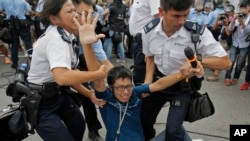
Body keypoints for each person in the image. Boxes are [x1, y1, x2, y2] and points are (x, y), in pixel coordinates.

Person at [76, 15, 205, 139]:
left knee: (176, 132)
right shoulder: (107, 99)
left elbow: (158, 84)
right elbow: (97, 79)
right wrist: (87, 46)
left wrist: (181, 74)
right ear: (111, 88)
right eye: (120, 88)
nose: (125, 92)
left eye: (128, 86)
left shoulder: (135, 93)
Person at [141, 0, 231, 141]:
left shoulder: (196, 32)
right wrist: (146, 84)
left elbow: (226, 62)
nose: (182, 21)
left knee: (173, 131)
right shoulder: (149, 31)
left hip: (182, 86)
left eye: (186, 15)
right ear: (161, 12)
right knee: (143, 122)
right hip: (159, 83)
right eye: (176, 16)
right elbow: (150, 59)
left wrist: (197, 62)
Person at [26, 0, 107, 140]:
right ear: (54, 19)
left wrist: (88, 93)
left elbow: (70, 72)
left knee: (79, 126)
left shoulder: (68, 35)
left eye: (75, 11)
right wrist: (97, 74)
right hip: (41, 103)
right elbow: (62, 77)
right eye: (70, 12)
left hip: (58, 95)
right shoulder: (55, 39)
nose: (76, 15)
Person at [72, 0, 113, 140]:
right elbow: (65, 75)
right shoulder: (59, 35)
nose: (87, 19)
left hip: (81, 68)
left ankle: (93, 130)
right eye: (83, 14)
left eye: (91, 14)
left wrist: (122, 82)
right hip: (58, 76)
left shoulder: (90, 32)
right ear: (70, 12)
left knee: (93, 94)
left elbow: (105, 62)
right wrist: (89, 92)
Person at [128, 0, 160, 86]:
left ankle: (143, 96)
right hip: (137, 40)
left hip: (145, 39)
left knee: (141, 74)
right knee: (138, 70)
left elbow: (159, 17)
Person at [0, 0, 34, 69]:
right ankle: (32, 60)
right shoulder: (22, 1)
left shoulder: (3, 1)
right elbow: (30, 11)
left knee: (14, 44)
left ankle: (15, 63)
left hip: (12, 24)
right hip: (23, 24)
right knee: (28, 43)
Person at [224, 0, 250, 86]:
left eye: (245, 8)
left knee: (239, 63)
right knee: (231, 61)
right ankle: (227, 77)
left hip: (244, 44)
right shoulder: (237, 15)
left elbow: (248, 31)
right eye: (241, 8)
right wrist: (233, 20)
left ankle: (236, 78)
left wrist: (242, 22)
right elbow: (230, 29)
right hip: (235, 42)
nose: (243, 10)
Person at [207, 4, 235, 82]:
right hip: (221, 40)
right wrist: (217, 19)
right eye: (226, 12)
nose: (227, 13)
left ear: (232, 12)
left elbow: (228, 33)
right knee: (216, 55)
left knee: (220, 56)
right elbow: (214, 28)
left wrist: (226, 23)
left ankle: (216, 75)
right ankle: (216, 68)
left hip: (228, 41)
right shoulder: (224, 18)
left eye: (229, 12)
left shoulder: (233, 20)